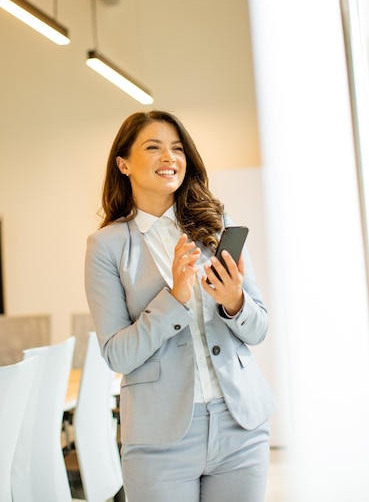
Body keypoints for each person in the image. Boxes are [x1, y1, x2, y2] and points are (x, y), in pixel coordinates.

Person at [85, 110, 276, 502]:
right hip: (158, 440)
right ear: (123, 163)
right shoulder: (106, 246)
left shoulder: (215, 222)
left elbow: (258, 328)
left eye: (176, 148)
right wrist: (174, 300)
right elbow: (117, 355)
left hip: (240, 425)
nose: (168, 157)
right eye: (153, 148)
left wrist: (234, 302)